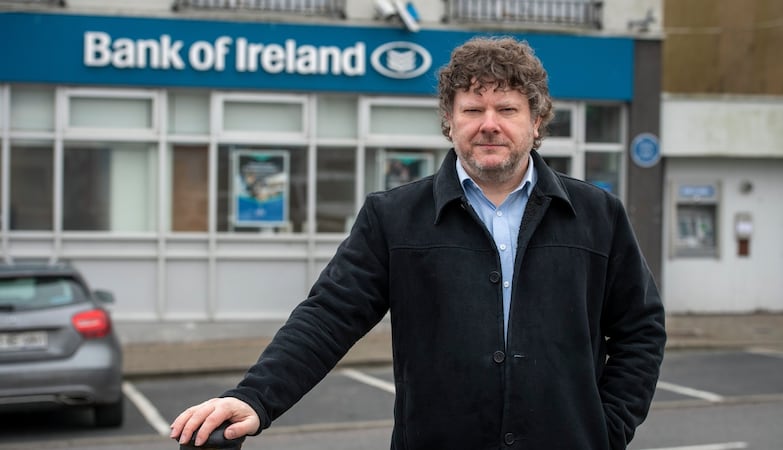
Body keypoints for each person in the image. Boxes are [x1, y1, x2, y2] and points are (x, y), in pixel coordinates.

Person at [171, 36, 666, 449]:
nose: (488, 123)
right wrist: (256, 397)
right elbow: (327, 317)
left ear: (536, 122)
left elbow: (640, 328)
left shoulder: (597, 215)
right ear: (449, 122)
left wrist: (607, 430)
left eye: (507, 108)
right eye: (472, 108)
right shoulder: (394, 217)